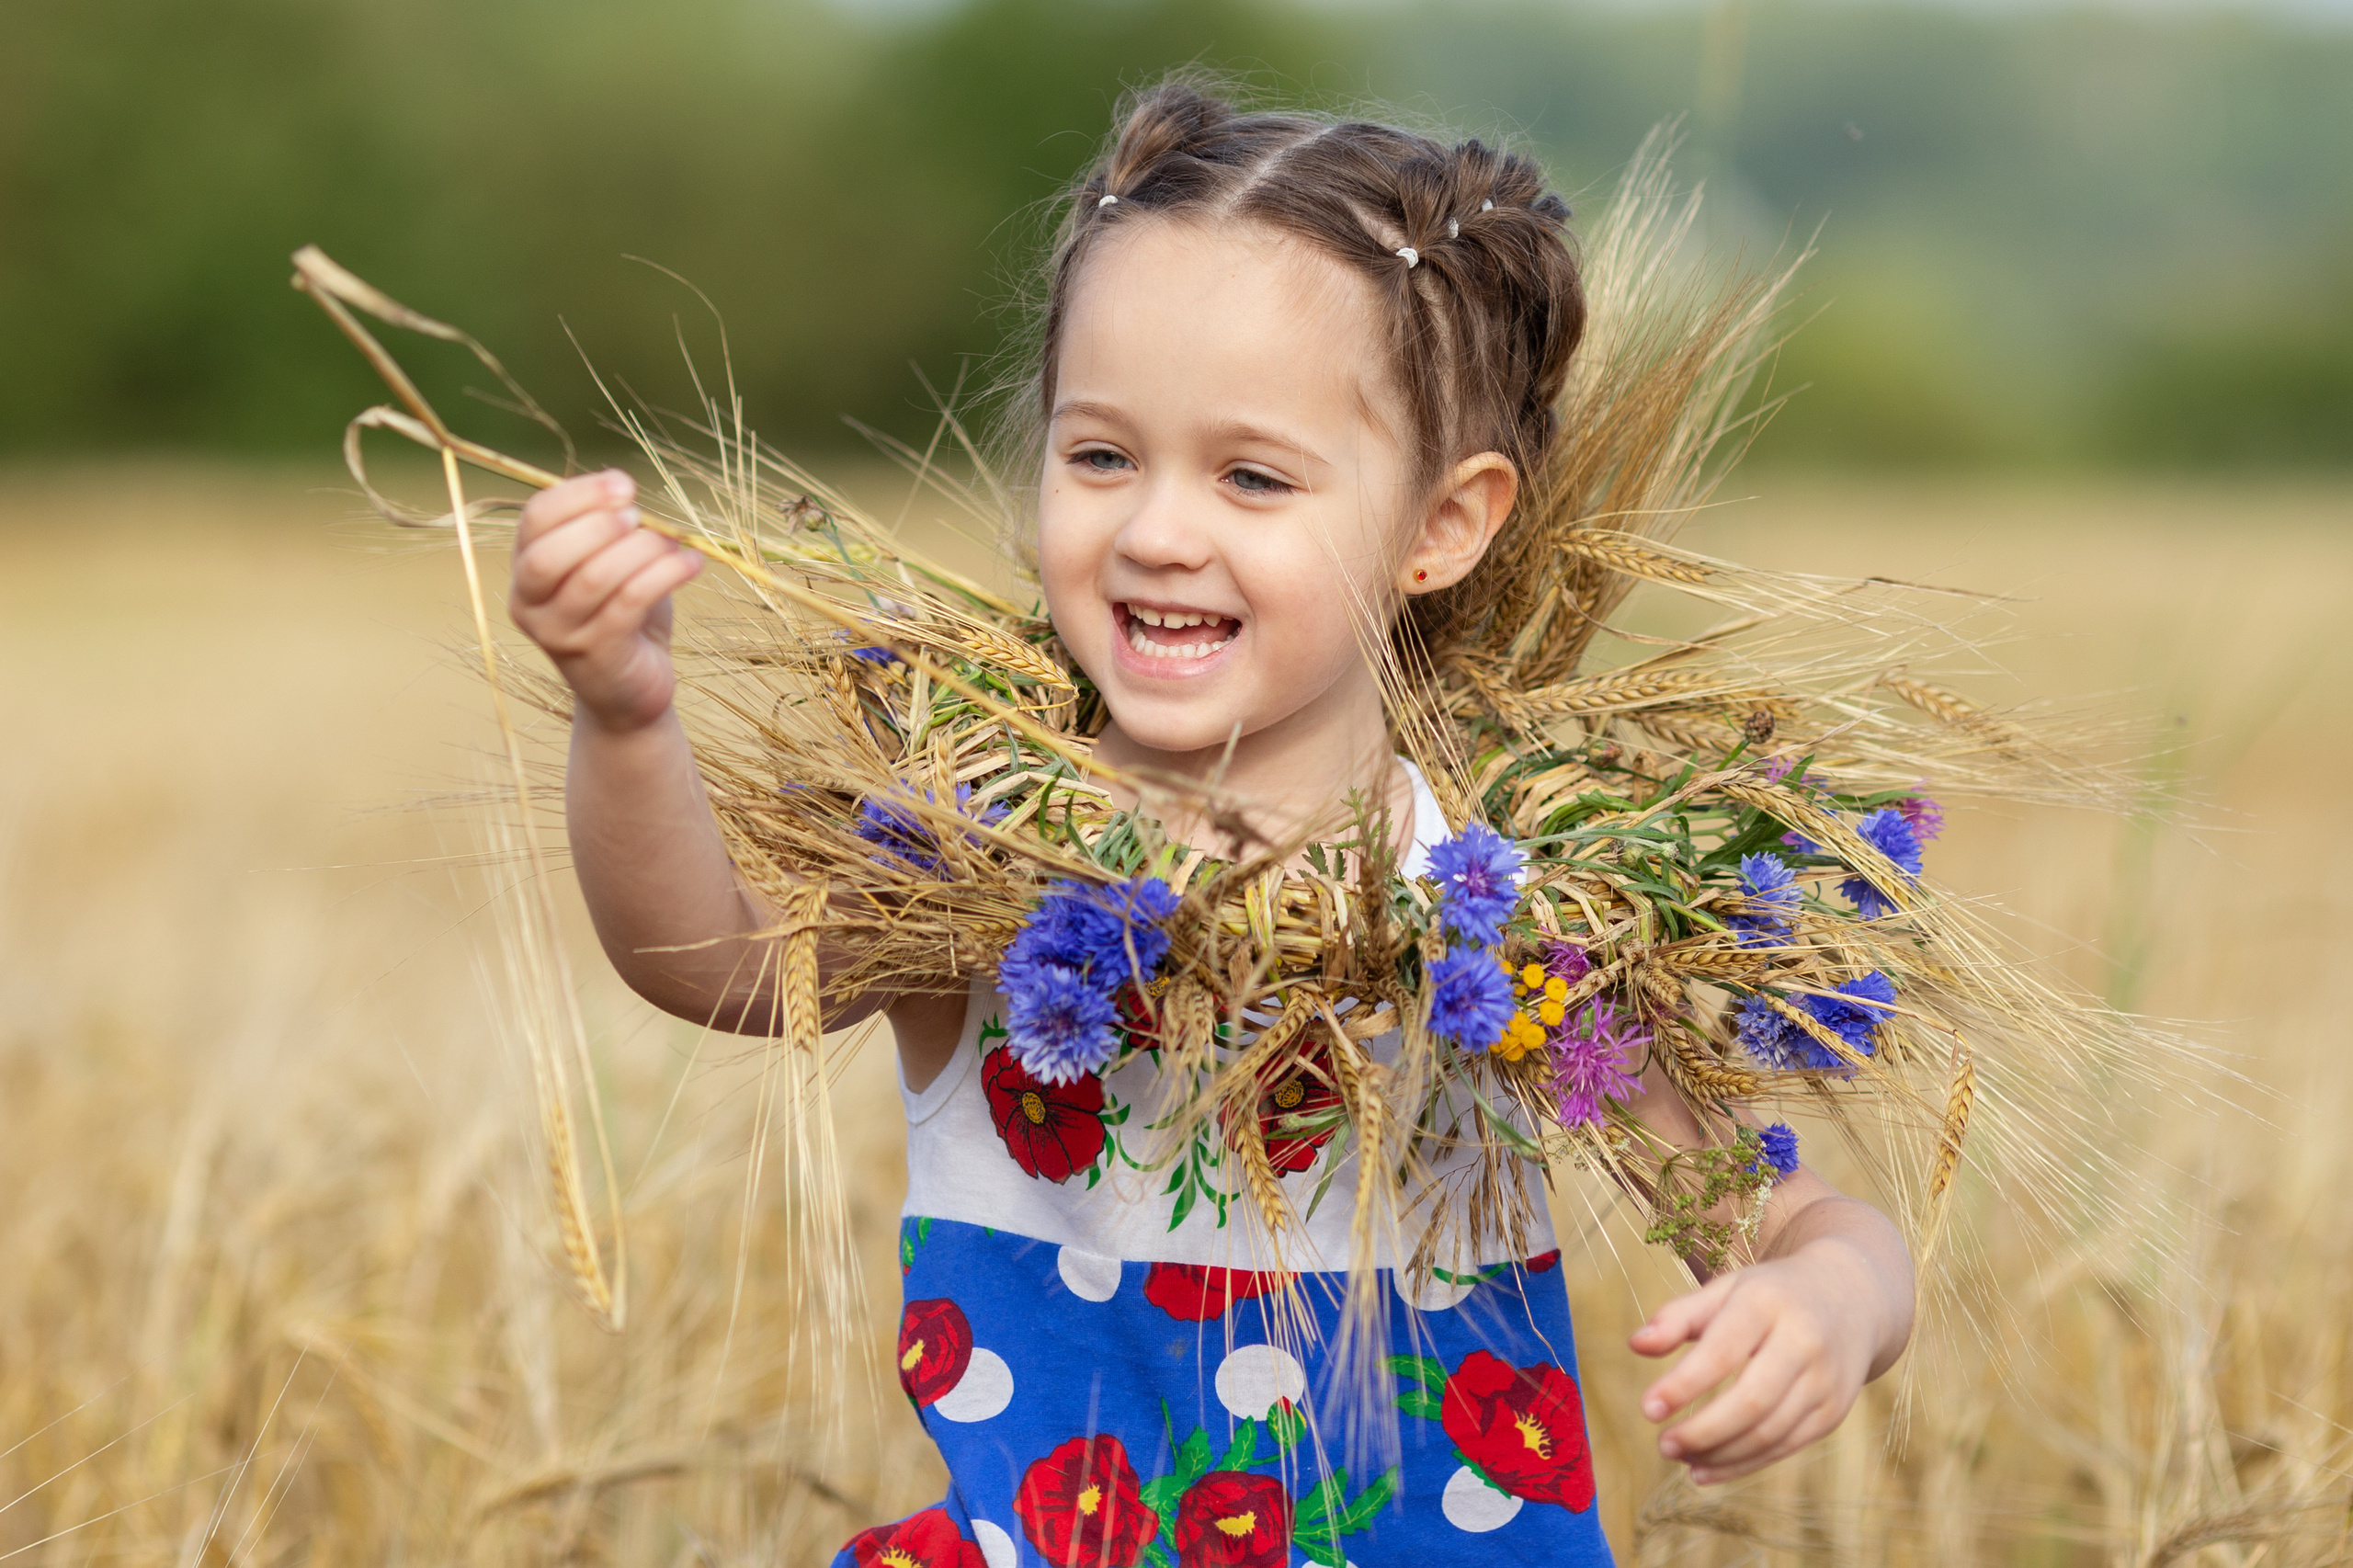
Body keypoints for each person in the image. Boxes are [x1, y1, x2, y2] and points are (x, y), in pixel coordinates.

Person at [504, 81, 1914, 1567]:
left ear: (1443, 524)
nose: (1158, 530)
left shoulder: (1501, 914)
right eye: (1101, 456)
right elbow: (723, 963)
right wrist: (627, 717)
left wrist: (1826, 1300)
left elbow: (1791, 1221)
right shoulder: (983, 848)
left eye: (1251, 476)